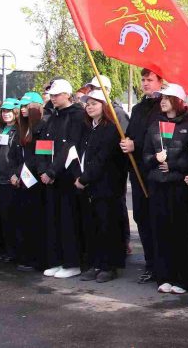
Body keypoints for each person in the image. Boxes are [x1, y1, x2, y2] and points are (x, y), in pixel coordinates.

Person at [144, 83, 188, 294]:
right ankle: (163, 276)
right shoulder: (154, 124)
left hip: (179, 186)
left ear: (178, 100)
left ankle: (182, 279)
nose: (162, 101)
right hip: (158, 185)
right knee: (160, 231)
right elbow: (146, 155)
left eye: (167, 97)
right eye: (161, 98)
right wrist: (155, 160)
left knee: (180, 233)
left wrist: (174, 165)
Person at [39, 79, 89, 279]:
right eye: (51, 95)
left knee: (68, 220)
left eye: (56, 94)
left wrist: (52, 171)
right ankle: (56, 259)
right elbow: (43, 144)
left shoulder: (77, 116)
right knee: (53, 219)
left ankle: (72, 262)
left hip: (67, 175)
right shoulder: (51, 117)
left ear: (67, 94)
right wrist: (43, 169)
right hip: (49, 177)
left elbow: (70, 146)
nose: (53, 98)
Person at [76, 89, 127, 283]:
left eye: (94, 104)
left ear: (104, 106)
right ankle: (95, 263)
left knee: (107, 226)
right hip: (90, 187)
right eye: (88, 104)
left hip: (106, 186)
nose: (89, 107)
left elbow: (101, 159)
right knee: (93, 226)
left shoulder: (111, 129)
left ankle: (109, 265)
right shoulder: (89, 128)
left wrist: (84, 178)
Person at [121, 68, 163, 284]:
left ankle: (161, 265)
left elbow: (156, 138)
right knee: (142, 217)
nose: (146, 83)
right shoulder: (138, 108)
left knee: (157, 218)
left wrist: (136, 145)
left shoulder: (162, 106)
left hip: (154, 171)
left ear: (160, 81)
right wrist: (127, 142)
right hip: (136, 170)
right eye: (144, 79)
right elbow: (131, 132)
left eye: (150, 80)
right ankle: (150, 263)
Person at [9, 93, 47, 272]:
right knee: (24, 220)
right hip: (22, 181)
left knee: (37, 221)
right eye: (21, 106)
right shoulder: (20, 129)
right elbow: (14, 156)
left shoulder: (43, 127)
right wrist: (14, 173)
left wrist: (21, 172)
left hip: (36, 181)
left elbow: (40, 155)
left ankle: (38, 257)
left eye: (27, 106)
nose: (23, 109)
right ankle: (25, 254)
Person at [0, 98, 20, 263]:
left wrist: (15, 173)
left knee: (13, 218)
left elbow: (18, 157)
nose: (6, 114)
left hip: (12, 180)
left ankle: (15, 251)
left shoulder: (18, 130)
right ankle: (9, 250)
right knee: (4, 218)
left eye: (9, 111)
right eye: (4, 111)